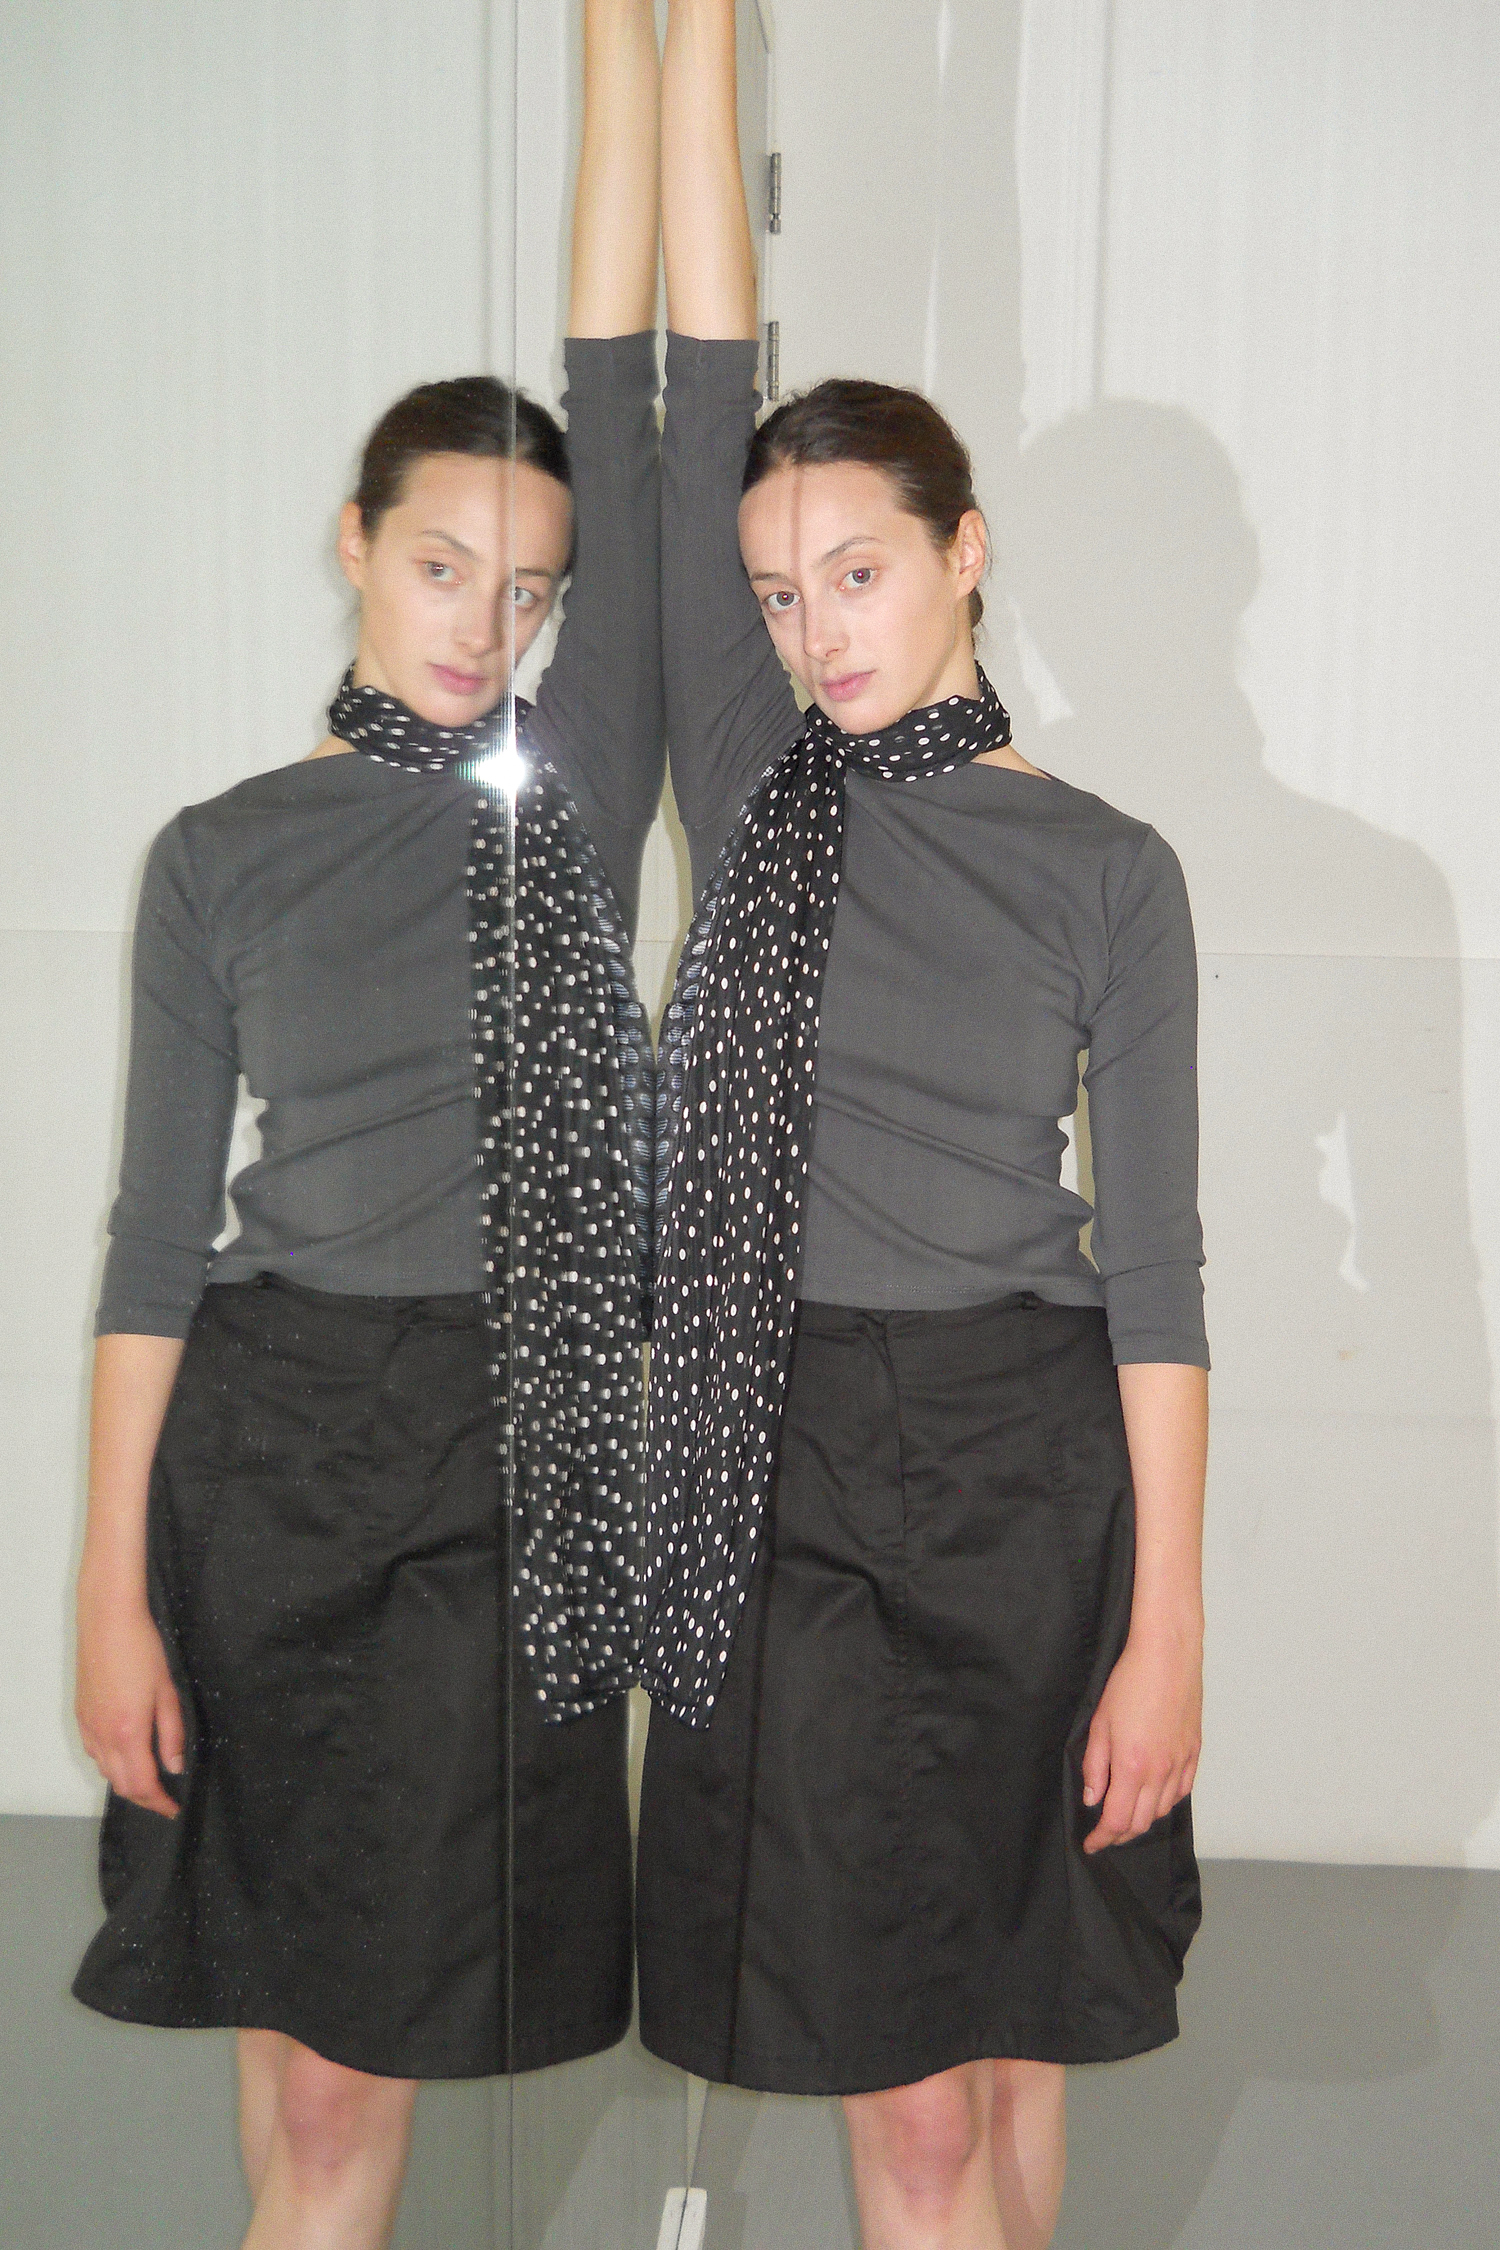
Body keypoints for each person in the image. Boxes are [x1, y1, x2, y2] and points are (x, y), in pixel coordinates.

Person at [70, 6, 663, 2243]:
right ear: (352, 541)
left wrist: (640, 53)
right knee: (284, 2037)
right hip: (271, 1456)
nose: (483, 626)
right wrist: (108, 1588)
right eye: (441, 567)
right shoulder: (221, 852)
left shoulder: (571, 789)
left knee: (348, 2073)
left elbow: (634, 391)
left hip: (506, 1466)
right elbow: (156, 1244)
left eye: (530, 592)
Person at [635, 6, 1208, 2247]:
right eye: (782, 597)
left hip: (1023, 1478)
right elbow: (697, 399)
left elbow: (1154, 1278)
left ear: (968, 549)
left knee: (1014, 2053)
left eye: (857, 574)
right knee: (914, 2110)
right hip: (782, 1472)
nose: (816, 632)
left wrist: (1168, 1631)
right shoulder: (747, 776)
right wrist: (690, 43)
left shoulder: (1108, 869)